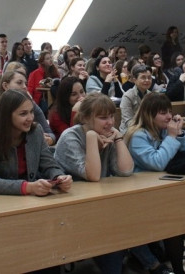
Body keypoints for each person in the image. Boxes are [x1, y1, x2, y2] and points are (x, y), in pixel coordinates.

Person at [125, 93, 185, 274]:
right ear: (149, 114)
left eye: (169, 112)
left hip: (162, 190)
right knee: (175, 217)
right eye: (163, 113)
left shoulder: (164, 130)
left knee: (178, 215)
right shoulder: (138, 136)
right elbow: (157, 163)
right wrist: (172, 137)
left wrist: (180, 134)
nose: (168, 117)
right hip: (141, 194)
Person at [53, 93, 133, 274]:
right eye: (103, 117)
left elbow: (126, 170)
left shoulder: (108, 134)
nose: (110, 122)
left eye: (111, 116)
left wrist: (118, 138)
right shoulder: (70, 137)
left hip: (98, 204)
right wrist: (90, 136)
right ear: (86, 118)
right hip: (69, 210)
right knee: (112, 231)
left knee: (125, 225)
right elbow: (93, 175)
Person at [0, 89, 72, 196]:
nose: (30, 118)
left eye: (31, 112)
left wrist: (59, 177)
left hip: (33, 198)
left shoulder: (36, 131)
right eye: (23, 114)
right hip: (2, 199)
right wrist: (28, 187)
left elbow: (49, 165)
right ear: (6, 115)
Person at [0, 70, 56, 145]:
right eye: (19, 83)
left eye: (26, 84)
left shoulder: (31, 105)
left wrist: (49, 139)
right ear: (5, 86)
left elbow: (50, 133)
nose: (24, 87)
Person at [48, 76, 85, 141]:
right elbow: (71, 137)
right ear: (65, 97)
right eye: (74, 94)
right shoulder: (56, 115)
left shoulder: (86, 108)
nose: (80, 97)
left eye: (82, 92)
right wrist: (75, 112)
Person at [119, 65, 153, 134]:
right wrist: (143, 130)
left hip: (149, 129)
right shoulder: (127, 96)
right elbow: (128, 121)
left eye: (149, 78)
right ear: (134, 80)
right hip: (129, 131)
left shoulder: (151, 95)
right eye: (143, 77)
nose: (147, 80)